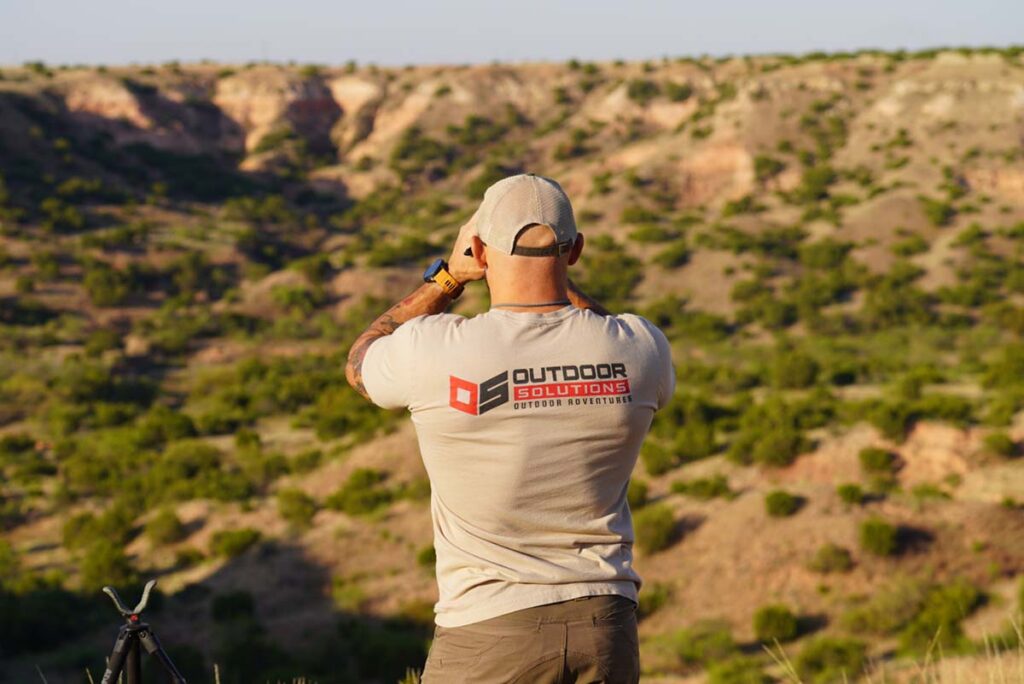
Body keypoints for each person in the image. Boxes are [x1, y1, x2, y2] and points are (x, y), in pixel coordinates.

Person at [345, 173, 675, 683]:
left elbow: (360, 360)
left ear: (477, 249)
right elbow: (604, 333)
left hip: (489, 630)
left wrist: (446, 280)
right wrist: (556, 274)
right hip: (606, 627)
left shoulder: (432, 350)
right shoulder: (640, 348)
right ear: (577, 251)